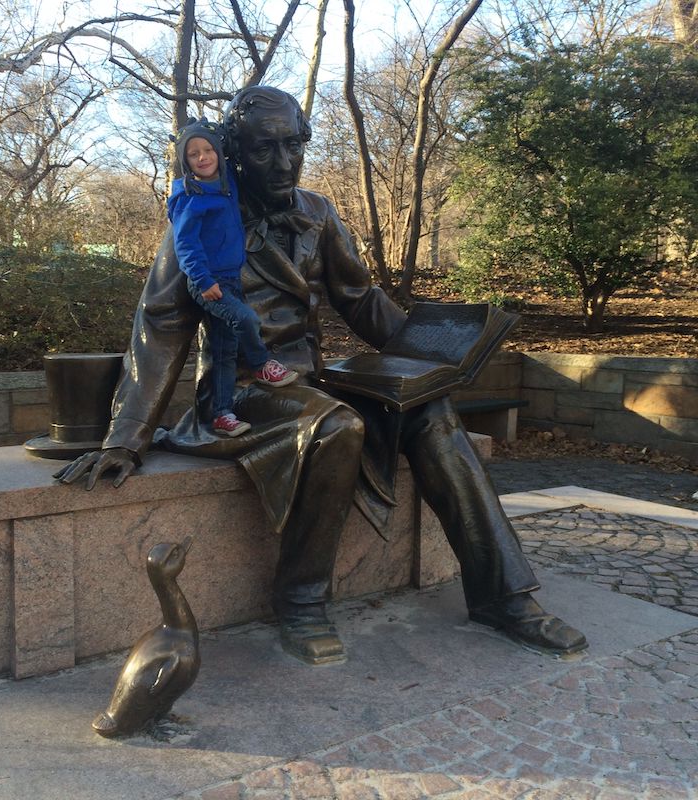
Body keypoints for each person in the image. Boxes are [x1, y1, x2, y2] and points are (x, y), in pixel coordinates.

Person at [55, 87, 587, 665]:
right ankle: (302, 600)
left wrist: (437, 352)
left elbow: (361, 300)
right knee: (334, 429)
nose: (284, 163)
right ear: (233, 153)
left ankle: (503, 595)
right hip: (246, 391)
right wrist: (127, 436)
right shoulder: (200, 215)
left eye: (294, 146)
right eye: (265, 150)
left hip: (311, 381)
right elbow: (160, 327)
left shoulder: (318, 212)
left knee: (432, 414)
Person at [168, 117, 297, 437]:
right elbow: (185, 245)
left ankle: (222, 415)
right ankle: (260, 364)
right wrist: (203, 280)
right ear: (186, 162)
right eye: (193, 154)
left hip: (231, 280)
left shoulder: (228, 185)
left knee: (224, 353)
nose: (202, 157)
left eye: (208, 149)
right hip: (208, 284)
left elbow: (242, 163)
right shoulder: (190, 197)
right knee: (247, 321)